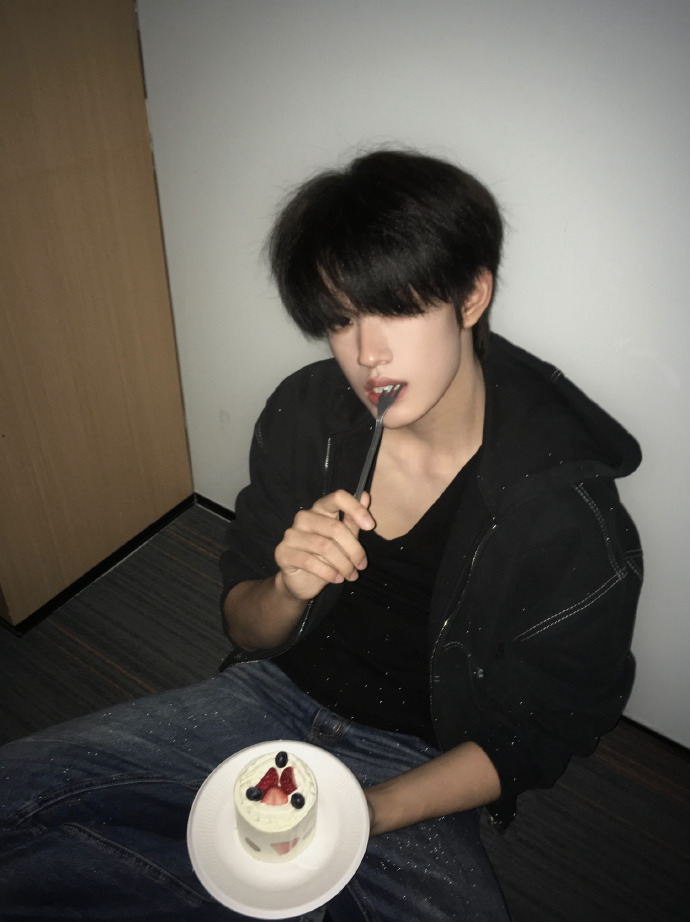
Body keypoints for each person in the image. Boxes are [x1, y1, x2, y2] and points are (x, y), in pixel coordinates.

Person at [0, 149, 642, 922]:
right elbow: (245, 626)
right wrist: (285, 588)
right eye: (340, 318)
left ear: (471, 296)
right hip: (268, 697)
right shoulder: (307, 415)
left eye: (395, 307)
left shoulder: (565, 511)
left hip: (420, 761)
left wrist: (362, 813)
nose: (366, 354)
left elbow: (540, 730)